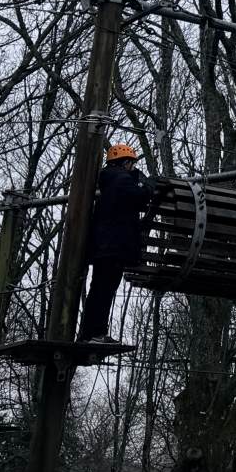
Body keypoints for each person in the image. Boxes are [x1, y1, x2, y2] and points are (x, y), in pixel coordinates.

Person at [79, 141, 155, 343]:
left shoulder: (110, 181)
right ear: (125, 163)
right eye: (132, 164)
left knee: (99, 289)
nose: (133, 167)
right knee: (104, 291)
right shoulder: (120, 179)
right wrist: (148, 185)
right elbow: (140, 197)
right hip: (114, 247)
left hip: (106, 247)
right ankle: (96, 333)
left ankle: (91, 333)